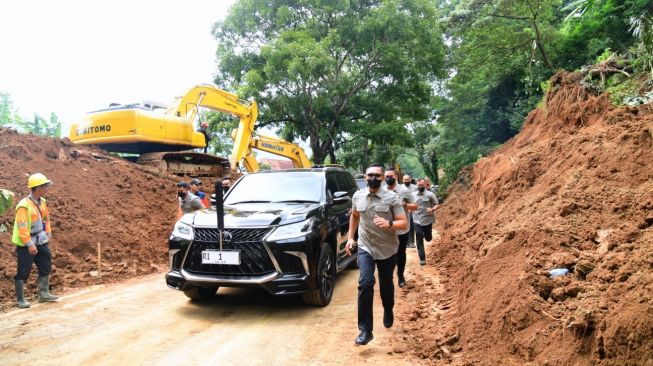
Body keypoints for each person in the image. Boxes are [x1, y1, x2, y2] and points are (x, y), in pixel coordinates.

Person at [346, 163, 408, 346]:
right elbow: (355, 216)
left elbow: (403, 223)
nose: (373, 178)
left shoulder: (392, 198)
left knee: (386, 285)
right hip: (365, 246)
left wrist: (389, 224)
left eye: (377, 176)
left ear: (382, 178)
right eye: (369, 175)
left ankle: (388, 309)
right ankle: (365, 330)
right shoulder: (358, 196)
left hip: (387, 248)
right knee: (365, 283)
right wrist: (351, 237)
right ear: (365, 177)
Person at [12, 173, 58, 308]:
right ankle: (20, 299)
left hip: (40, 239)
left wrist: (47, 232)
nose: (47, 188)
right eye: (45, 186)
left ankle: (43, 293)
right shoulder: (23, 206)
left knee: (46, 262)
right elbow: (22, 228)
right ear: (38, 188)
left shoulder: (42, 202)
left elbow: (46, 218)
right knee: (23, 270)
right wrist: (29, 244)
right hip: (26, 242)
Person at [384, 168, 416, 288]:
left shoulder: (404, 190)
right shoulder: (381, 190)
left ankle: (400, 275)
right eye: (386, 176)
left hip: (401, 228)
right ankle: (387, 277)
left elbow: (415, 206)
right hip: (386, 228)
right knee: (388, 253)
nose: (388, 178)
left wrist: (406, 205)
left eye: (390, 176)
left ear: (396, 177)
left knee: (400, 253)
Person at [412, 178, 439, 265]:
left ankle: (427, 235)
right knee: (419, 236)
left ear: (425, 184)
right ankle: (422, 258)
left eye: (422, 185)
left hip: (427, 219)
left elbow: (437, 204)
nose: (420, 187)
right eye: (419, 185)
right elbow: (410, 204)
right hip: (417, 219)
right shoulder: (412, 195)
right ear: (417, 185)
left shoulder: (430, 194)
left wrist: (432, 209)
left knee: (428, 238)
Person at [403, 175, 418, 248]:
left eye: (407, 179)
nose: (406, 181)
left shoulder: (415, 188)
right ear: (403, 180)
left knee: (411, 225)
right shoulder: (400, 188)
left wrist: (411, 207)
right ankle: (405, 243)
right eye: (405, 179)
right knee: (404, 226)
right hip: (403, 209)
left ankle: (411, 242)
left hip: (412, 209)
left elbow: (416, 199)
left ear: (410, 179)